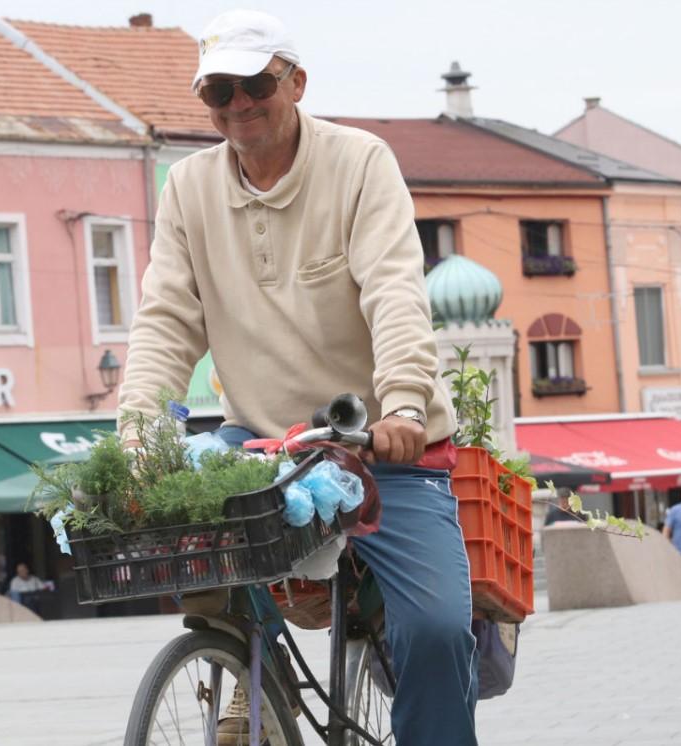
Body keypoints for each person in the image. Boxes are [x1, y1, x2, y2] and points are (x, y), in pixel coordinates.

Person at [116, 9, 476, 742]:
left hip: (378, 447)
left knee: (436, 629)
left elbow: (395, 292)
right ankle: (253, 671)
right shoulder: (188, 188)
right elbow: (165, 323)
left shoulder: (359, 161)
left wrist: (404, 405)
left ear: (296, 81)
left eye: (256, 83)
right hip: (266, 443)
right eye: (220, 92)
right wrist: (136, 433)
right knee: (191, 538)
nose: (239, 104)